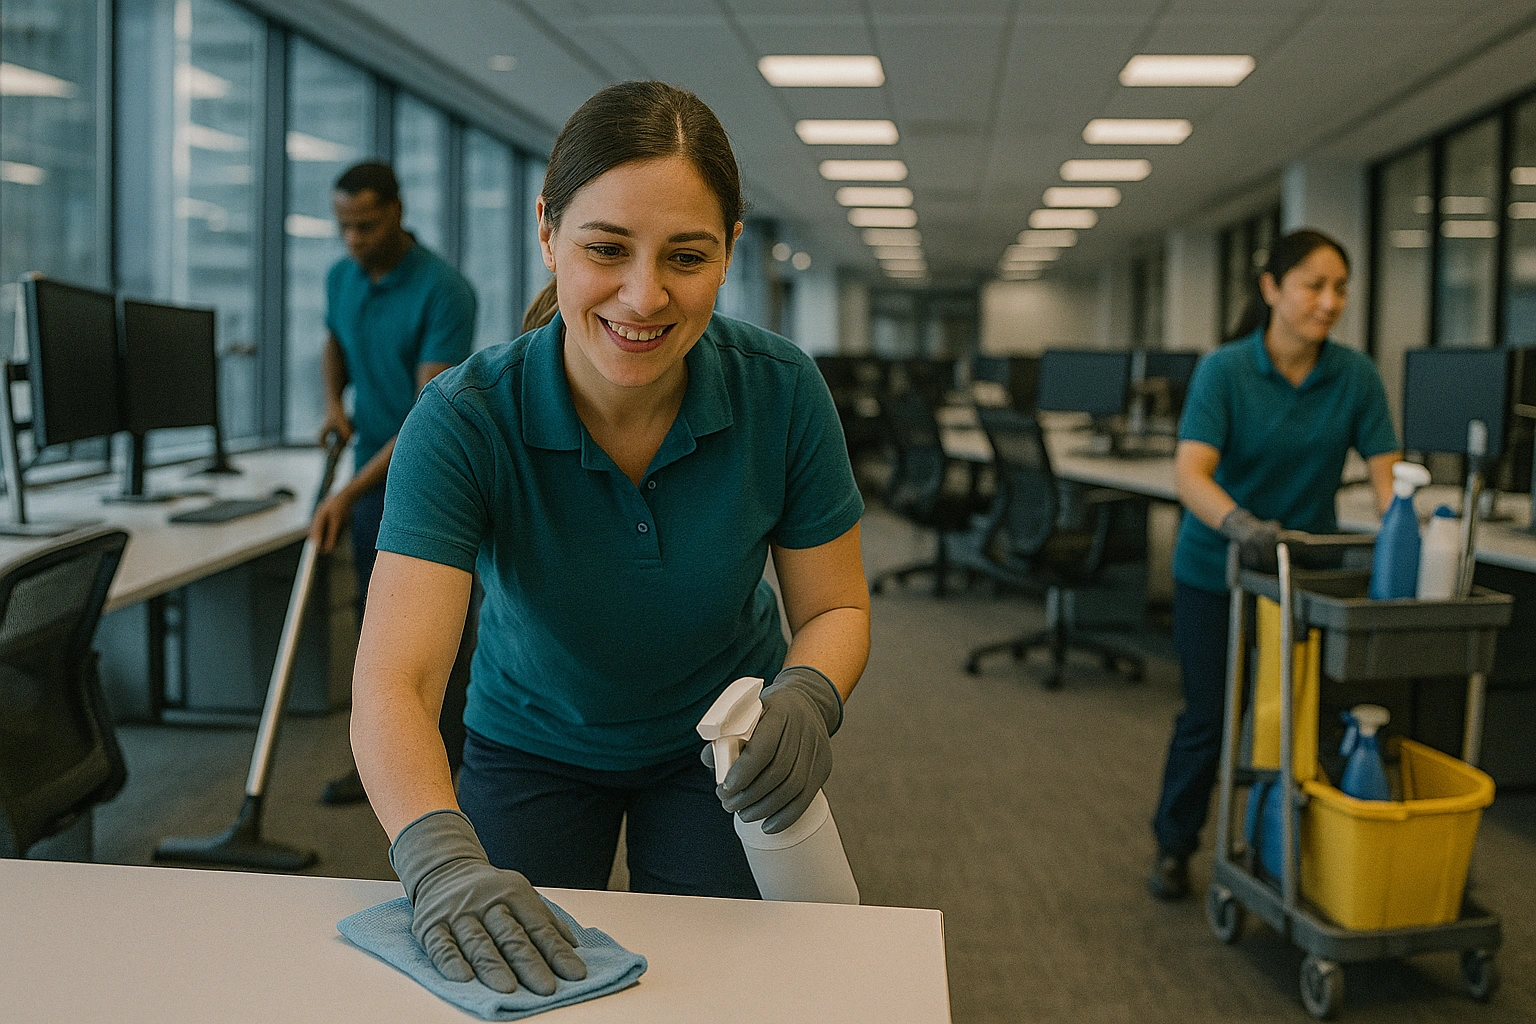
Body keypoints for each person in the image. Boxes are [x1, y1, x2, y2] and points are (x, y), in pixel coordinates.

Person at [352, 81, 871, 995]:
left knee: (722, 987)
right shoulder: (465, 420)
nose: (644, 295)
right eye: (605, 249)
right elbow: (398, 679)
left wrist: (808, 692)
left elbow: (833, 605)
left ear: (729, 253)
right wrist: (435, 859)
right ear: (547, 232)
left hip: (720, 750)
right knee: (514, 986)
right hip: (529, 738)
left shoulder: (781, 390)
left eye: (687, 255)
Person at [1147, 229, 1401, 900]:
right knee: (1211, 717)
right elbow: (1190, 471)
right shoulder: (1225, 370)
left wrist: (1411, 530)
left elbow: (1386, 482)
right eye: (1314, 285)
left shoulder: (1355, 375)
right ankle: (1174, 845)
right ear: (1271, 290)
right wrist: (1239, 524)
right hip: (1218, 569)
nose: (1330, 301)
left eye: (1340, 288)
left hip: (1301, 575)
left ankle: (1281, 848)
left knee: (1293, 717)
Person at [310, 161, 478, 806]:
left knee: (437, 627)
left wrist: (344, 495)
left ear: (399, 212)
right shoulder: (339, 277)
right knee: (373, 624)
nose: (353, 239)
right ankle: (384, 759)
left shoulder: (445, 290)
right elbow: (334, 340)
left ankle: (450, 765)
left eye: (367, 224)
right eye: (344, 226)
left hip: (434, 478)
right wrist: (334, 404)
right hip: (367, 477)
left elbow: (425, 419)